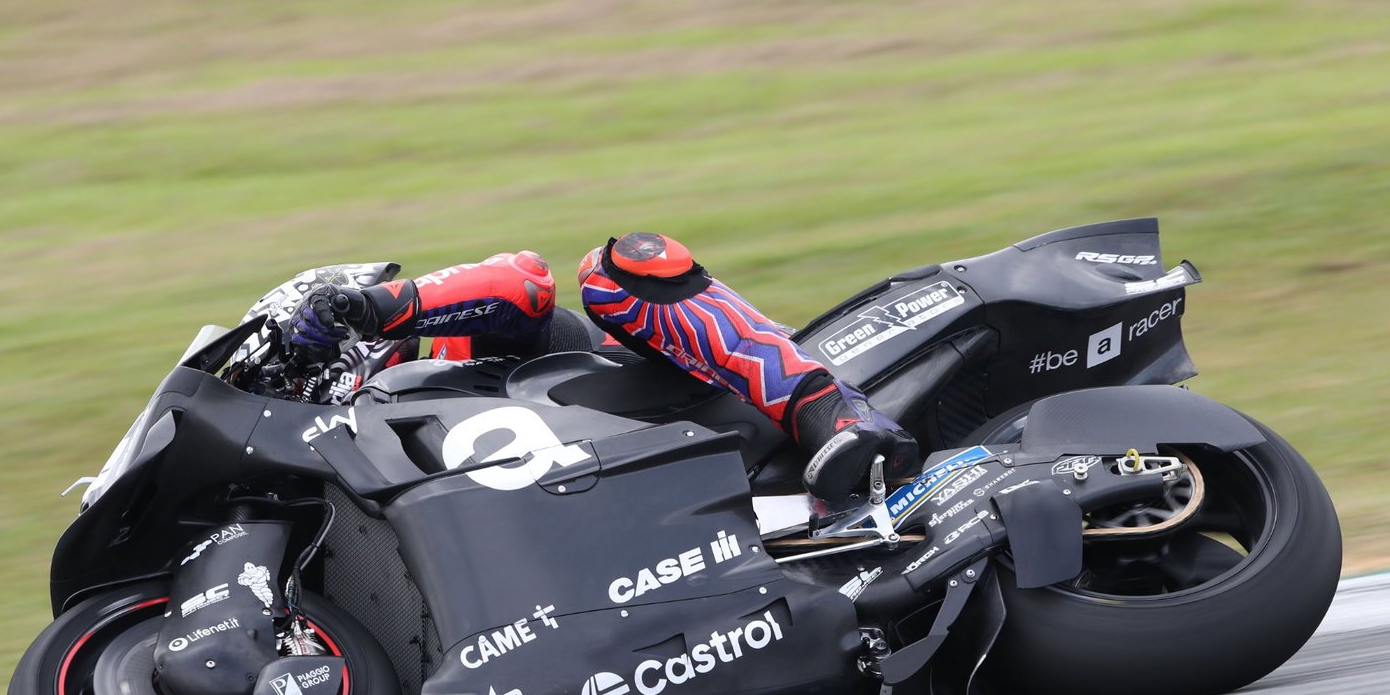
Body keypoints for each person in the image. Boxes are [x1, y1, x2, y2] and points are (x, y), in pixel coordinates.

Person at [274, 232, 919, 502]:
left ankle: (833, 415)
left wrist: (373, 308)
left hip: (708, 408)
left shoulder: (449, 356)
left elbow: (521, 281)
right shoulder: (384, 466)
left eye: (297, 373)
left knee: (617, 269)